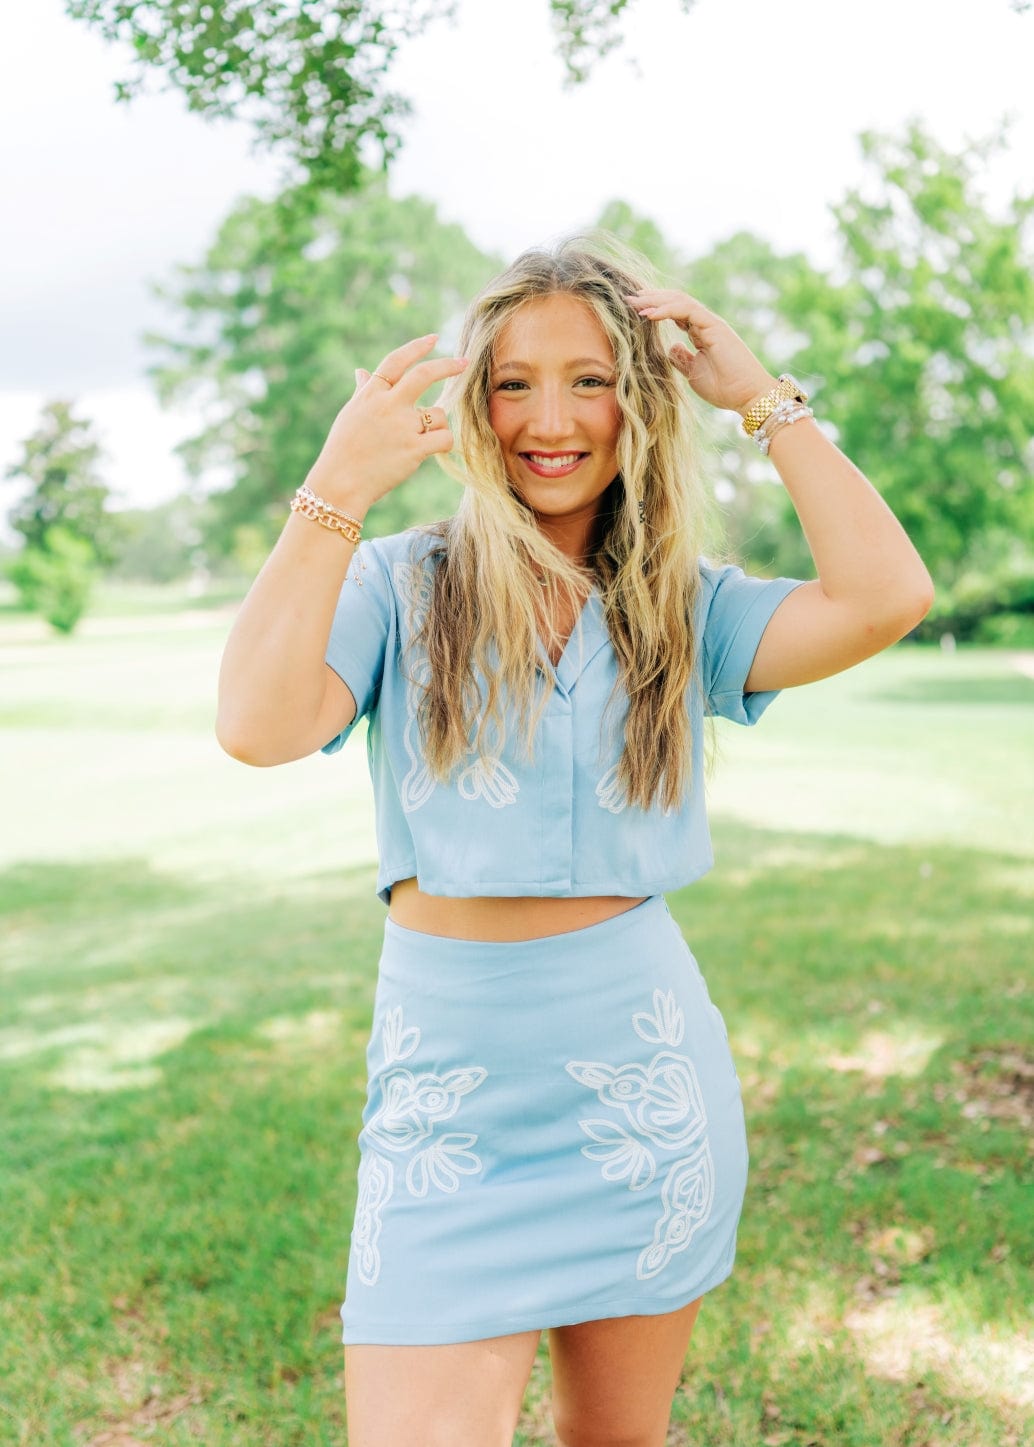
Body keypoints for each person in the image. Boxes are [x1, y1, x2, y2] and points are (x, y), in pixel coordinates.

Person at [216, 236, 933, 1447]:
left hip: (640, 1081)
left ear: (635, 402)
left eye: (589, 380)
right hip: (446, 1104)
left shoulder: (682, 603)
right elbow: (255, 723)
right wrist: (335, 487)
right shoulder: (400, 585)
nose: (549, 420)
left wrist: (761, 399)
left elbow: (884, 595)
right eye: (513, 383)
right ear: (474, 405)